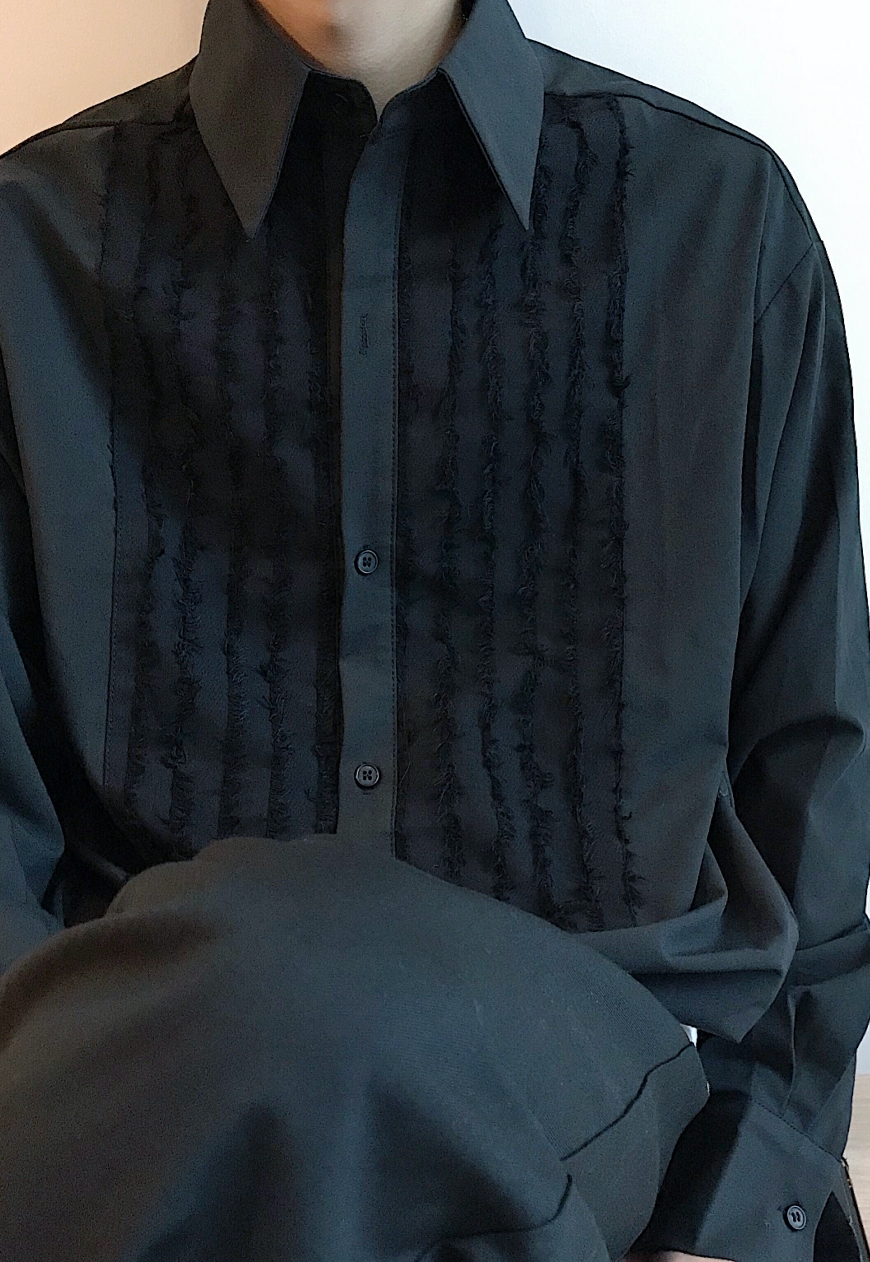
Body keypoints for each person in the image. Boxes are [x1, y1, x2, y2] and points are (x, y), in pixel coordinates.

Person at [0, 0, 868, 1258]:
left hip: (598, 1152)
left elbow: (816, 795)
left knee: (318, 994)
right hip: (154, 1139)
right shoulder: (28, 254)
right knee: (276, 999)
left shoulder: (724, 232)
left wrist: (737, 1223)